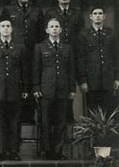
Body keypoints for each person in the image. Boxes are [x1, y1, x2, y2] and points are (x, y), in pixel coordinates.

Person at [0, 20, 29, 161]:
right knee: (0, 123)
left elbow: (25, 70)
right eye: (3, 26)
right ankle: (1, 151)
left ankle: (14, 151)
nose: (5, 29)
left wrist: (25, 88)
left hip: (15, 89)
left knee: (15, 122)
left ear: (11, 29)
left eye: (8, 26)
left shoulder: (20, 47)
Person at [33, 18, 76, 160]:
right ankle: (47, 151)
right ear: (47, 30)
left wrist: (72, 89)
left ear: (61, 30)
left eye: (57, 26)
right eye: (51, 26)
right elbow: (36, 69)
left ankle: (58, 151)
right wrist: (36, 87)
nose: (54, 29)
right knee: (45, 122)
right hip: (46, 90)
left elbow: (71, 70)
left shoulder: (67, 48)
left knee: (61, 123)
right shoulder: (40, 47)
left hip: (63, 90)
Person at [1, 0, 43, 124]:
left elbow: (41, 34)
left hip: (32, 53)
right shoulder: (8, 10)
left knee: (30, 82)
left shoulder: (37, 11)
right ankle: (16, 116)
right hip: (14, 52)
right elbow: (4, 29)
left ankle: (29, 116)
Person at [44, 0, 85, 123]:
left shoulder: (77, 14)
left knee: (68, 84)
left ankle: (68, 116)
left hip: (71, 53)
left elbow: (81, 35)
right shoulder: (51, 13)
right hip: (55, 51)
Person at [76, 7, 119, 113]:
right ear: (90, 17)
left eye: (100, 13)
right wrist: (83, 81)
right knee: (92, 112)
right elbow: (80, 59)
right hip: (92, 81)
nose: (98, 16)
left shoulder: (111, 34)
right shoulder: (84, 35)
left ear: (104, 16)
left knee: (109, 111)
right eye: (95, 14)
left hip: (108, 80)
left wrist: (118, 78)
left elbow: (117, 57)